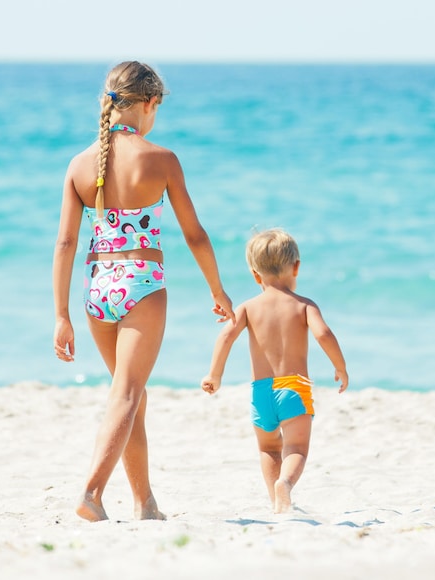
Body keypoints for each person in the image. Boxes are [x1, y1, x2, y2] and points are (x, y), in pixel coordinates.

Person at [53, 61, 235, 522]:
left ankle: (144, 503)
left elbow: (65, 244)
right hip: (141, 283)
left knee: (130, 393)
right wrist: (218, 290)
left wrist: (61, 315)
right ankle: (91, 493)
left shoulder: (79, 164)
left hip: (97, 287)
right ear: (150, 104)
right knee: (127, 395)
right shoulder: (161, 159)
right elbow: (194, 234)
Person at [201, 228, 348, 514]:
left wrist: (214, 374)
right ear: (296, 267)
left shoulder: (247, 308)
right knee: (297, 449)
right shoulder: (304, 305)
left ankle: (276, 502)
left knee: (268, 448)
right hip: (294, 389)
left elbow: (226, 336)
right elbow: (323, 334)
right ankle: (286, 485)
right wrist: (339, 366)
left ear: (256, 276)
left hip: (261, 392)